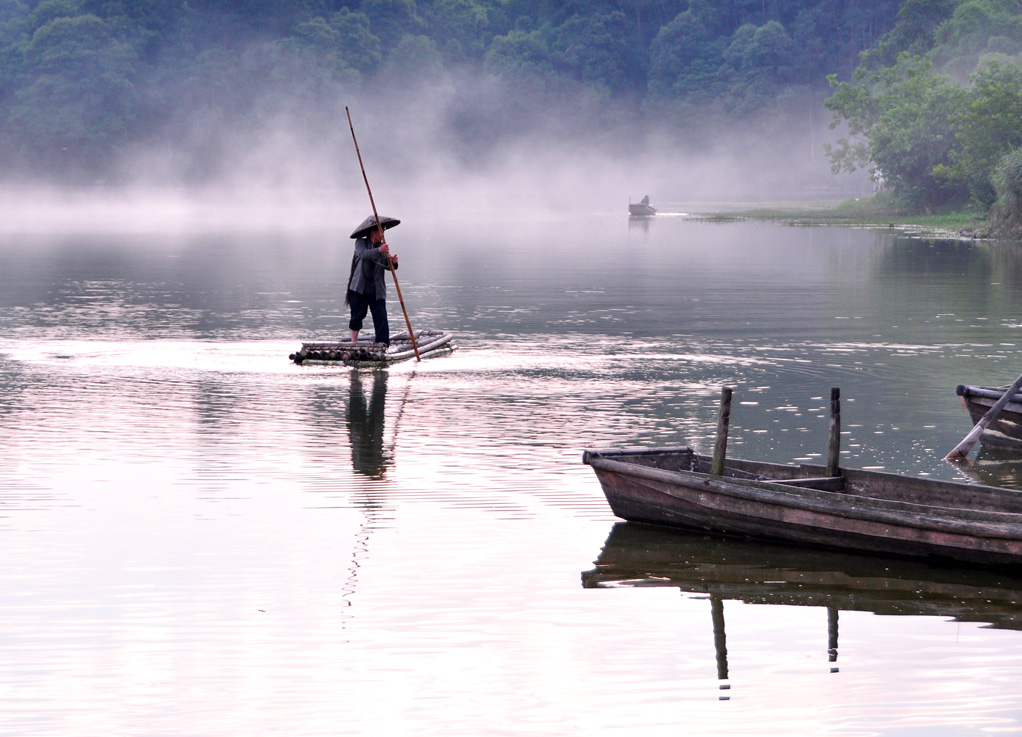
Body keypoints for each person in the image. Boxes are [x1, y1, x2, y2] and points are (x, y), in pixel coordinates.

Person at [346, 214, 400, 346]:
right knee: (357, 316)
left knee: (381, 318)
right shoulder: (360, 242)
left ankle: (383, 344)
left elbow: (388, 266)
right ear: (372, 232)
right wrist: (379, 250)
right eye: (379, 231)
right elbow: (363, 254)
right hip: (359, 288)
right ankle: (354, 344)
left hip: (376, 290)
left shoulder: (383, 247)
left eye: (383, 231)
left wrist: (393, 262)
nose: (381, 234)